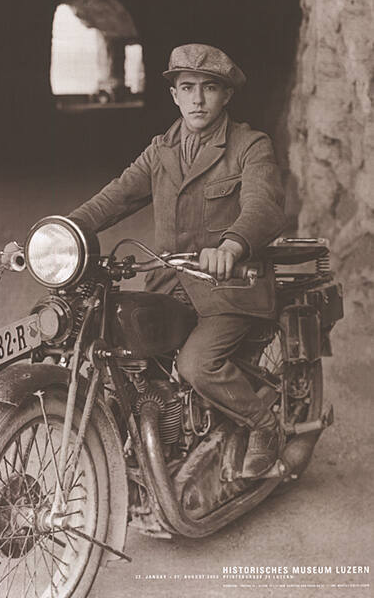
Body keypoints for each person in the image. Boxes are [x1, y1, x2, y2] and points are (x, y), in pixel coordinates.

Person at [69, 44, 287, 478]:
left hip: (229, 290)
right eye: (187, 88)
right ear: (174, 94)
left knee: (195, 365)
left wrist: (231, 246)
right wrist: (62, 230)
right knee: (122, 349)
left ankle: (266, 427)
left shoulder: (249, 146)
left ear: (227, 95)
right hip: (168, 289)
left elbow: (263, 206)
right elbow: (117, 196)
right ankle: (154, 444)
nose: (198, 99)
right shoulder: (161, 150)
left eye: (209, 88)